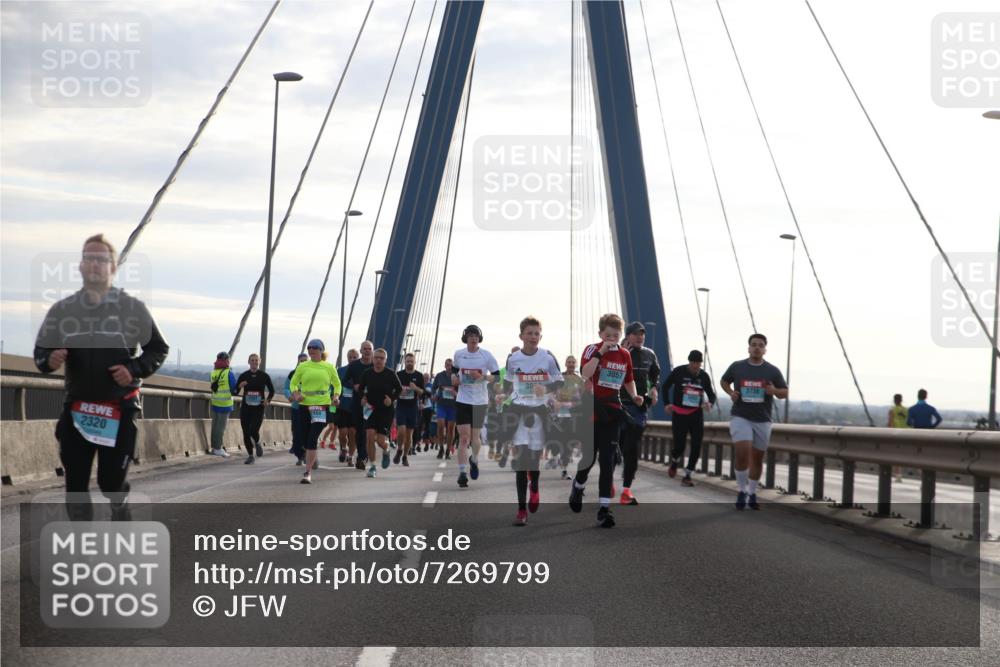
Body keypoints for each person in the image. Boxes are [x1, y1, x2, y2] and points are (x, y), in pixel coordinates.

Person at [33, 233, 169, 520]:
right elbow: (41, 352)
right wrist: (49, 359)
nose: (94, 264)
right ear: (81, 265)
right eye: (89, 258)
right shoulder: (63, 310)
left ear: (113, 267)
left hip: (119, 409)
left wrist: (133, 370)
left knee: (111, 483)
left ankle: (119, 505)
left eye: (101, 259)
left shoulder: (132, 308)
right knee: (76, 487)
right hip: (78, 409)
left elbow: (158, 348)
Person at [569, 313, 643, 528]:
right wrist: (601, 352)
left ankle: (604, 509)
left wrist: (634, 395)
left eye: (615, 335)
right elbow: (585, 373)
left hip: (612, 411)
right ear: (600, 334)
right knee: (589, 458)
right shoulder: (591, 349)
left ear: (621, 336)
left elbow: (628, 379)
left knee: (608, 460)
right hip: (591, 411)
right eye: (608, 335)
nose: (612, 339)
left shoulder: (624, 355)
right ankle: (578, 485)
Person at [495, 317, 563, 526]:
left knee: (533, 461)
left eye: (536, 333)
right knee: (521, 461)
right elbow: (508, 385)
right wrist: (502, 395)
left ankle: (534, 487)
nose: (533, 337)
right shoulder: (513, 359)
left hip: (539, 413)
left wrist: (547, 389)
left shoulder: (548, 357)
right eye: (529, 333)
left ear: (540, 336)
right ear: (521, 336)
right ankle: (521, 510)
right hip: (519, 412)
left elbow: (559, 382)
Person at [720, 333, 788, 510]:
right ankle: (741, 490)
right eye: (754, 344)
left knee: (757, 459)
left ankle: (752, 492)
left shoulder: (772, 370)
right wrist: (731, 392)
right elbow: (724, 381)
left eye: (760, 345)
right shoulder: (737, 367)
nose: (757, 347)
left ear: (765, 350)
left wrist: (774, 391)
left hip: (762, 419)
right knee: (742, 452)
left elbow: (785, 393)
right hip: (740, 416)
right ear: (748, 348)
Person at [452, 325, 501, 488]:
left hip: (480, 401)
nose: (473, 338)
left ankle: (474, 459)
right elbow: (455, 371)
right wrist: (454, 378)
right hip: (463, 400)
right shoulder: (459, 354)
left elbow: (497, 377)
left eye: (476, 336)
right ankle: (462, 473)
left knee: (475, 438)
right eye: (471, 335)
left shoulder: (486, 355)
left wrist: (482, 377)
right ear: (465, 338)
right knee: (464, 438)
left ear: (479, 338)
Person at [618, 321, 660, 505]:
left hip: (638, 409)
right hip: (618, 407)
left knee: (632, 451)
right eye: (635, 333)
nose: (640, 336)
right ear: (628, 336)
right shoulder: (618, 353)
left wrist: (654, 389)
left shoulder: (650, 354)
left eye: (642, 333)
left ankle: (626, 490)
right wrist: (621, 353)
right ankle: (608, 480)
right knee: (614, 449)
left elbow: (655, 376)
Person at [288, 339, 341, 484]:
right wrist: (296, 394)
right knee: (304, 439)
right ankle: (313, 455)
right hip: (305, 405)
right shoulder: (303, 366)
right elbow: (293, 383)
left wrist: (336, 396)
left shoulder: (329, 367)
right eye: (309, 347)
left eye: (315, 347)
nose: (311, 349)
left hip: (322, 406)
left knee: (312, 439)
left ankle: (307, 473)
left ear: (321, 350)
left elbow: (337, 384)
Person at [664, 350, 716, 486]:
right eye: (693, 363)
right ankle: (674, 461)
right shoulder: (678, 371)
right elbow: (665, 387)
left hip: (696, 414)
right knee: (679, 446)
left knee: (696, 445)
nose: (695, 366)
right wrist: (667, 404)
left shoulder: (704, 376)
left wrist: (710, 403)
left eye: (698, 363)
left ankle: (687, 475)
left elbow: (711, 395)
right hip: (679, 414)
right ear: (689, 362)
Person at [358, 348, 403, 477]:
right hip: (371, 409)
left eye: (381, 358)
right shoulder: (367, 373)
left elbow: (399, 389)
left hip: (386, 411)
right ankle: (372, 467)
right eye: (376, 357)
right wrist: (363, 398)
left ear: (385, 360)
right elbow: (360, 389)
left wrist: (392, 399)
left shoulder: (391, 374)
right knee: (370, 436)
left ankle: (386, 449)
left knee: (380, 441)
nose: (378, 360)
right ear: (373, 359)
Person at [236, 353, 275, 464]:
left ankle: (257, 442)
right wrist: (239, 386)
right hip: (246, 408)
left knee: (253, 430)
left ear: (259, 362)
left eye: (256, 360)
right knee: (246, 432)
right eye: (252, 360)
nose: (254, 362)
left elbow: (272, 391)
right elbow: (235, 392)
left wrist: (268, 400)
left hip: (258, 408)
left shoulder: (264, 376)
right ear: (249, 362)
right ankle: (250, 455)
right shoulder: (244, 375)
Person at [343, 341, 374, 470]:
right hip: (357, 403)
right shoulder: (354, 365)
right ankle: (362, 457)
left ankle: (363, 456)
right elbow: (344, 381)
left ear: (372, 351)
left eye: (369, 349)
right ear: (361, 351)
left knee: (368, 431)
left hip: (372, 404)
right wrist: (354, 386)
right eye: (364, 349)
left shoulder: (375, 365)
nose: (367, 351)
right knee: (359, 431)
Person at [553, 355, 585, 480]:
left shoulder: (579, 380)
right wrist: (556, 402)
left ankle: (564, 466)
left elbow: (583, 398)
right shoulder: (559, 377)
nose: (571, 364)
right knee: (561, 441)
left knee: (569, 442)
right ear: (565, 364)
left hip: (574, 414)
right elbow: (552, 393)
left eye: (573, 362)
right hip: (560, 413)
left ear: (575, 364)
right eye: (569, 362)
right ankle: (561, 464)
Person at [394, 352, 425, 466]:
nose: (410, 363)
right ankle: (399, 449)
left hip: (412, 408)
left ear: (415, 362)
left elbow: (422, 392)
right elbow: (393, 390)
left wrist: (415, 388)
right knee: (401, 431)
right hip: (401, 406)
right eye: (408, 361)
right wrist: (399, 392)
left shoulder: (419, 375)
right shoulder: (398, 375)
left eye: (411, 361)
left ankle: (405, 456)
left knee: (409, 434)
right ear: (404, 362)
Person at [209, 351, 237, 457]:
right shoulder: (228, 373)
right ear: (226, 360)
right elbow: (234, 388)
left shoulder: (213, 373)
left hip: (215, 402)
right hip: (225, 404)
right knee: (221, 427)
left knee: (215, 426)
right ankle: (218, 448)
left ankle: (214, 447)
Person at [335, 349, 360, 465]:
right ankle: (344, 448)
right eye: (350, 357)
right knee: (342, 433)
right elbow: (334, 386)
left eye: (355, 357)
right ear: (347, 358)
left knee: (353, 433)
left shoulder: (362, 371)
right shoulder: (340, 371)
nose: (352, 359)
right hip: (342, 406)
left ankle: (351, 456)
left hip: (355, 407)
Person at [284, 353, 308, 465]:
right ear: (298, 361)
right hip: (296, 408)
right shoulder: (292, 374)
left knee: (307, 432)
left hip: (308, 407)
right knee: (297, 432)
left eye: (305, 361)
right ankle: (299, 455)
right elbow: (286, 388)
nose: (303, 363)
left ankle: (307, 453)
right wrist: (289, 396)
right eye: (301, 361)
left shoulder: (311, 373)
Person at [432, 358, 458, 460]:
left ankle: (448, 451)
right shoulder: (439, 376)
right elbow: (433, 388)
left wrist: (455, 393)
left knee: (451, 429)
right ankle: (441, 448)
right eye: (447, 365)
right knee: (440, 426)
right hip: (441, 405)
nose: (449, 367)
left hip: (453, 406)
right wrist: (433, 395)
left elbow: (463, 390)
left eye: (451, 365)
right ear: (445, 365)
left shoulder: (457, 376)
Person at [887, 393, 910, 480]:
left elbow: (890, 423)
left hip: (896, 434)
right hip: (906, 433)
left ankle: (898, 474)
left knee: (895, 454)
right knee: (905, 454)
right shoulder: (906, 410)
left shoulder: (892, 410)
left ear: (894, 400)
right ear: (901, 400)